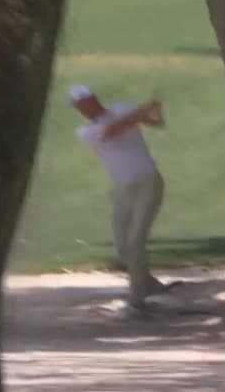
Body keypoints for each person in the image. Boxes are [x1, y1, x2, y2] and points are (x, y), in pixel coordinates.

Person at [70, 84, 168, 312]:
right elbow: (112, 131)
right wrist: (143, 109)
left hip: (149, 183)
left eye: (84, 102)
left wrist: (154, 110)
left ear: (94, 99)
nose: (82, 109)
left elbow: (157, 123)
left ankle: (137, 297)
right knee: (122, 244)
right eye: (78, 106)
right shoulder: (86, 132)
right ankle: (149, 284)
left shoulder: (121, 109)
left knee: (135, 241)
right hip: (123, 189)